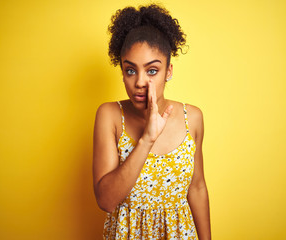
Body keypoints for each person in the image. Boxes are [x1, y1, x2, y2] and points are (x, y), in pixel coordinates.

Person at [93, 4, 211, 239]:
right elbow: (106, 200)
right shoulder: (110, 116)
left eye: (152, 71)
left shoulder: (193, 118)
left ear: (168, 71)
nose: (139, 82)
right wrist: (147, 139)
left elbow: (197, 188)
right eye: (130, 71)